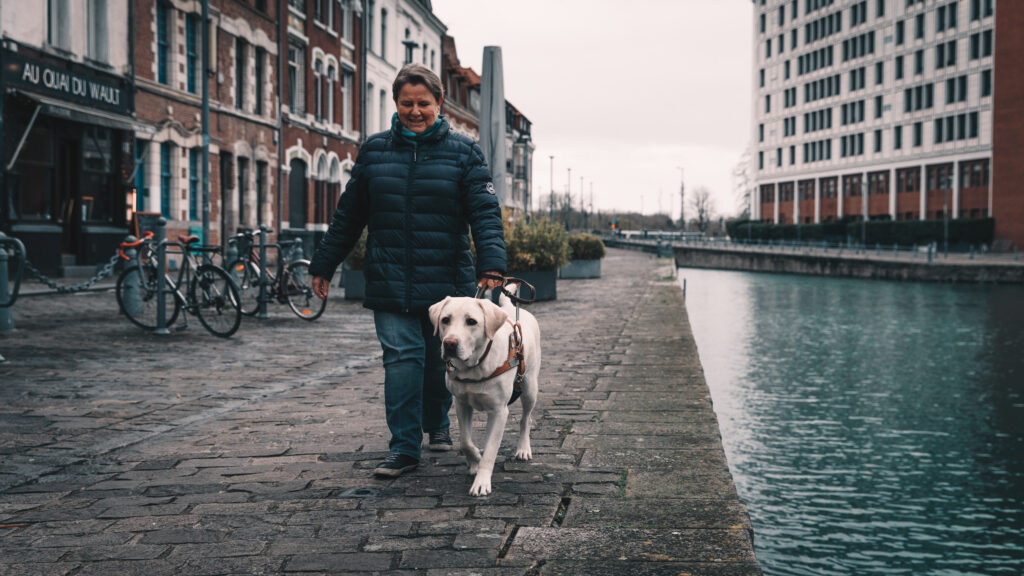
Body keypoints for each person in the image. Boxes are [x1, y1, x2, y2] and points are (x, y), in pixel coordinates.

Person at [309, 63, 506, 478]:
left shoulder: (465, 152)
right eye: (406, 103)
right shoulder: (375, 151)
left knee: (441, 363)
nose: (415, 111)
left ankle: (436, 423)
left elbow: (485, 212)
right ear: (396, 105)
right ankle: (403, 447)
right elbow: (349, 215)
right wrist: (325, 263)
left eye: (424, 103)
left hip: (446, 284)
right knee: (402, 359)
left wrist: (492, 264)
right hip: (390, 278)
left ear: (439, 104)